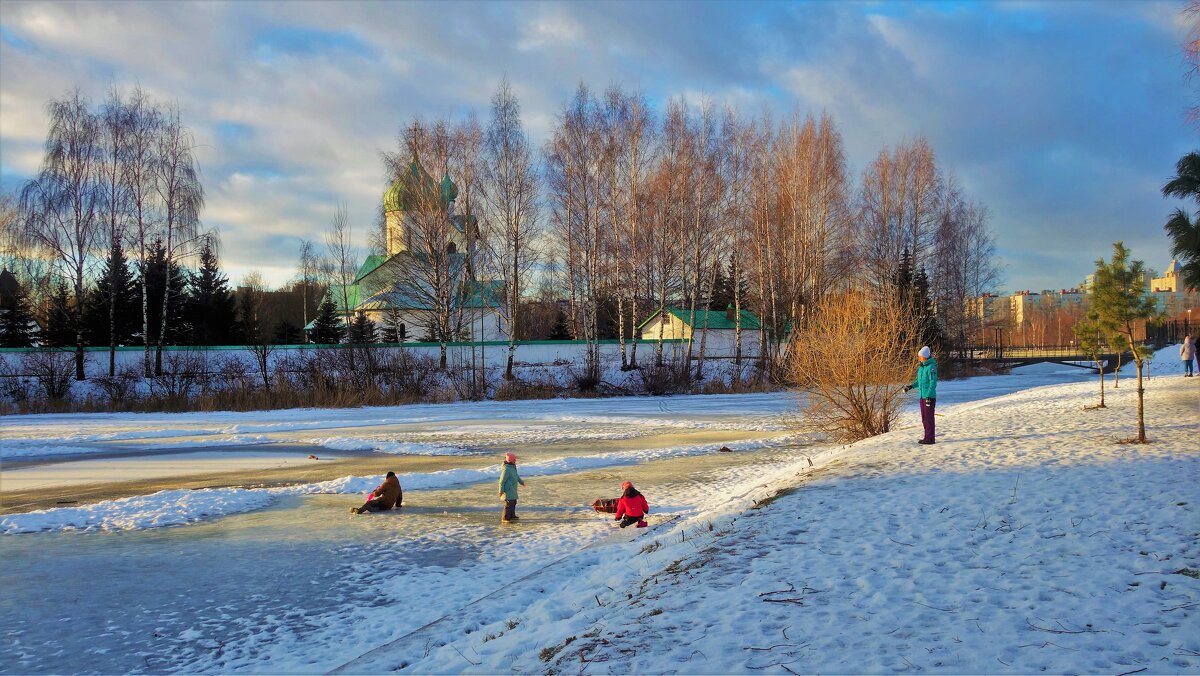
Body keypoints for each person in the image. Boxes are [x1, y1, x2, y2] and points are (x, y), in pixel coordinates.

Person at [903, 345, 938, 444]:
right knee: (924, 418)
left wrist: (929, 396)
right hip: (922, 396)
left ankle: (930, 439)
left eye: (920, 356)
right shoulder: (922, 367)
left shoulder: (931, 367)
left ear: (925, 356)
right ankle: (927, 437)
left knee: (929, 418)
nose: (919, 358)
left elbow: (933, 383)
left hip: (929, 397)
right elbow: (919, 381)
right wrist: (910, 386)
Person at [498, 452, 525, 523]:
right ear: (510, 460)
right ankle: (505, 517)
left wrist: (521, 482)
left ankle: (512, 515)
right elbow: (501, 481)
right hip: (508, 490)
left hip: (512, 489)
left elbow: (516, 476)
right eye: (514, 459)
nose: (515, 460)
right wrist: (500, 491)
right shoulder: (506, 469)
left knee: (514, 502)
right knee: (509, 504)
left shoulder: (513, 467)